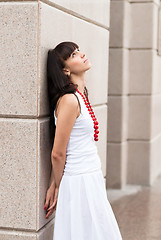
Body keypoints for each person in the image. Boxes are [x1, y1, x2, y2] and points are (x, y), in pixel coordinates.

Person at [44, 41, 123, 239]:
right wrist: (58, 185)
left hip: (90, 175)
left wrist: (55, 183)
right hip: (79, 181)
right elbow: (58, 152)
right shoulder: (70, 100)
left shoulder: (80, 96)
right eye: (73, 55)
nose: (81, 54)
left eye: (78, 51)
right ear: (65, 70)